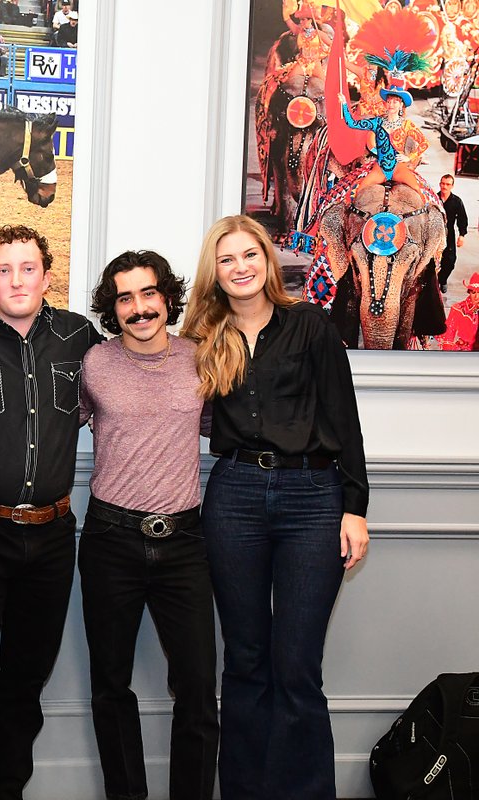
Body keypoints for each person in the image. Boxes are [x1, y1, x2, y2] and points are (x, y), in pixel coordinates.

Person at [181, 215, 369, 799]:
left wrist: (355, 507)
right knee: (244, 662)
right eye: (227, 259)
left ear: (267, 261)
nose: (240, 268)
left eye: (250, 256)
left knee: (296, 668)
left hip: (313, 501)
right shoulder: (202, 339)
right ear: (215, 271)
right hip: (233, 497)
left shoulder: (309, 325)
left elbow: (345, 420)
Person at [0, 225, 102, 800]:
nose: (16, 280)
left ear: (46, 275)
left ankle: (7, 788)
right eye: (3, 270)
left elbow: (124, 394)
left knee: (25, 678)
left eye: (27, 268)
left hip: (53, 537)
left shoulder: (81, 339)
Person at [79, 251, 219, 800]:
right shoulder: (94, 364)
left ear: (167, 296)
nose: (139, 309)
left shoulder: (202, 360)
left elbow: (223, 428)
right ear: (112, 309)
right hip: (110, 539)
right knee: (111, 686)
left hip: (185, 542)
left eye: (149, 294)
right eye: (125, 298)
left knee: (198, 690)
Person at [437, 174, 468, 293]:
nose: (444, 186)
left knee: (450, 260)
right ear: (440, 184)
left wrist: (462, 235)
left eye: (448, 184)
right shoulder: (434, 198)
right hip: (435, 233)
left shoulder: (456, 201)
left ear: (452, 186)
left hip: (449, 234)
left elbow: (462, 218)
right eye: (443, 183)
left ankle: (443, 280)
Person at [441, 271, 479, 350]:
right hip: (463, 350)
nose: (477, 297)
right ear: (469, 293)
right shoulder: (458, 309)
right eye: (474, 293)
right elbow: (449, 335)